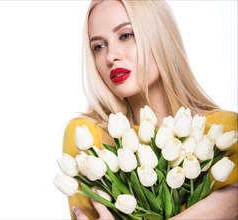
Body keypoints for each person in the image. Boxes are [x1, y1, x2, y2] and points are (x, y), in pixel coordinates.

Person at [62, 0, 238, 219]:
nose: (110, 56)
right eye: (99, 46)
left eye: (126, 35)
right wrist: (219, 207)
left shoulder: (221, 131)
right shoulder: (89, 139)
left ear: (159, 35)